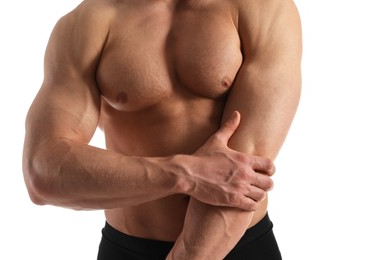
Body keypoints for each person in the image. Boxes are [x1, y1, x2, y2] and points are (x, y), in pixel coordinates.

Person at [22, 0, 302, 259]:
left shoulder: (263, 8)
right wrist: (183, 174)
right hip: (127, 248)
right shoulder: (87, 23)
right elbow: (43, 171)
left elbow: (244, 174)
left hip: (240, 245)